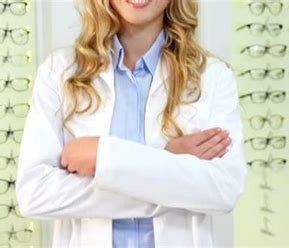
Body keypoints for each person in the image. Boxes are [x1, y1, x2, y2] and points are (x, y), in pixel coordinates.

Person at [15, 0, 247, 247]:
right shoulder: (60, 72)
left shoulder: (212, 76)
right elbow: (34, 193)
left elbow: (223, 190)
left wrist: (104, 156)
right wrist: (167, 161)